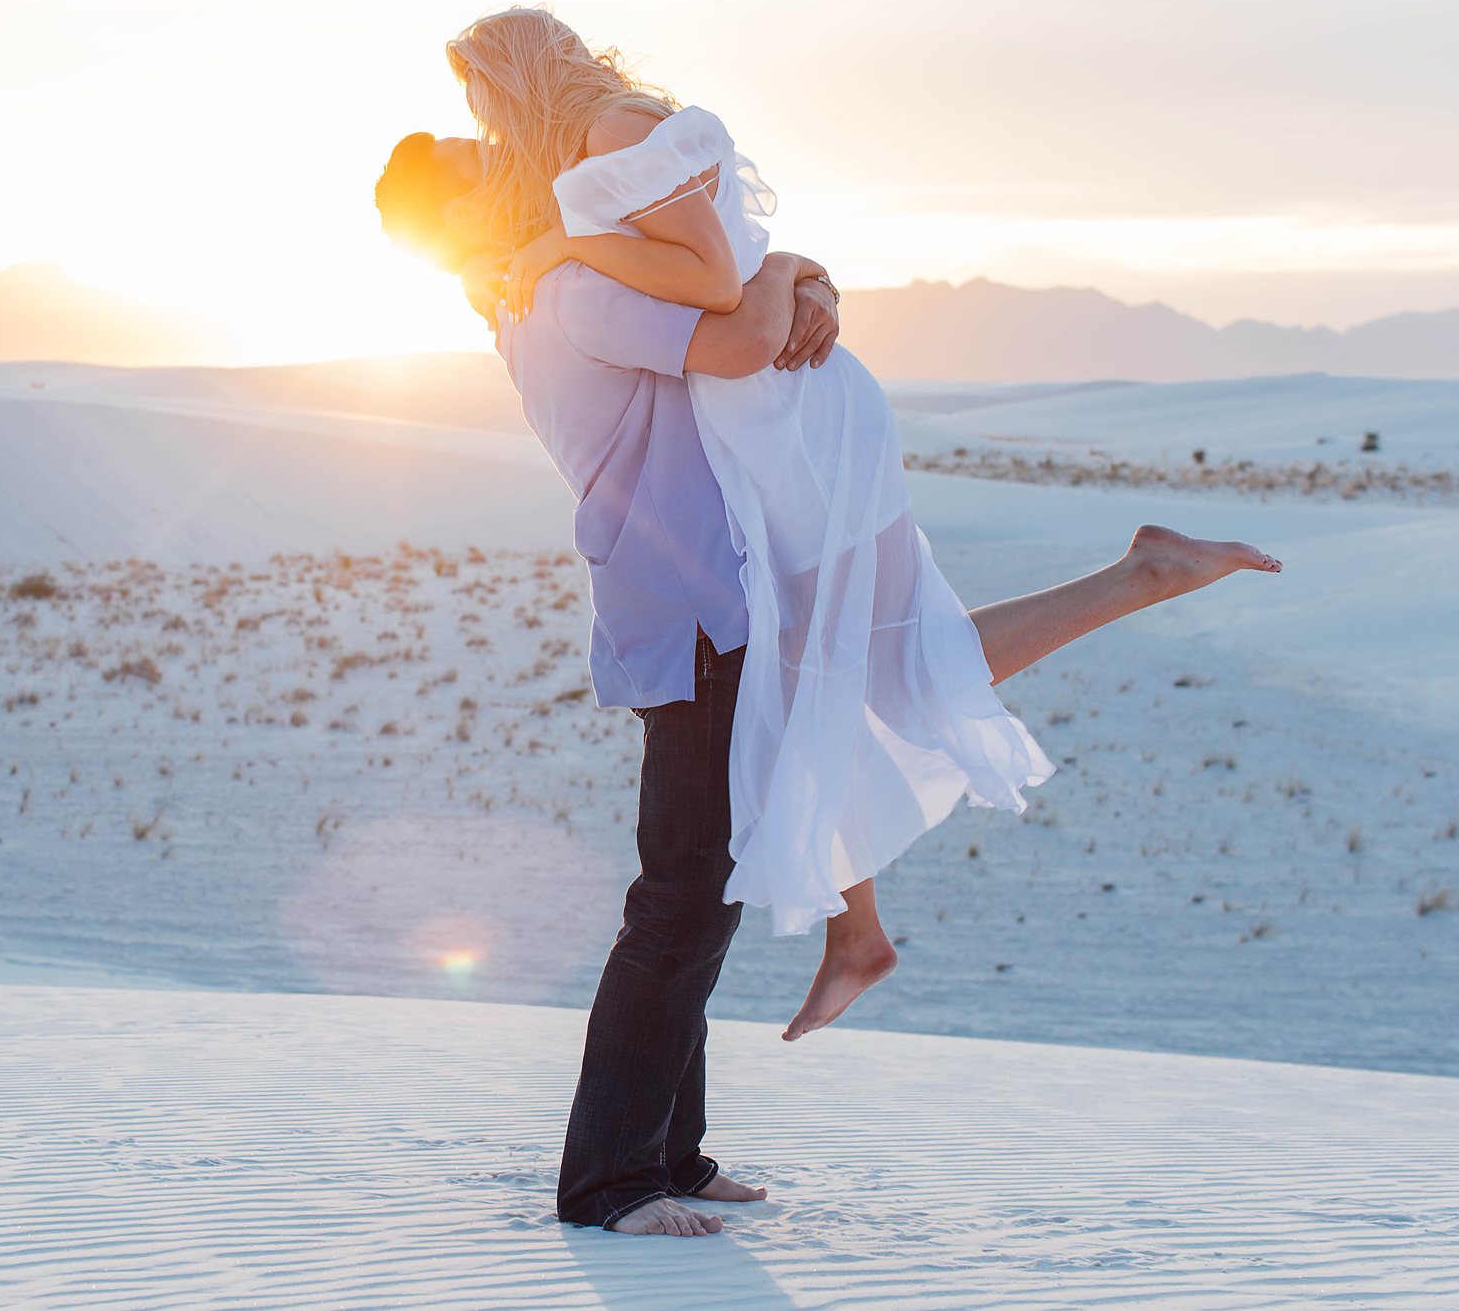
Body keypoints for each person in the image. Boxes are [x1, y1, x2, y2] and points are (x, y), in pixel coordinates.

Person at [373, 70, 1279, 1240]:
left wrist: (801, 275)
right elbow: (742, 326)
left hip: (721, 594)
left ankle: (672, 1153)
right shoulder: (561, 294)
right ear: (449, 227)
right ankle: (609, 1182)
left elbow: (726, 300)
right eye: (465, 169)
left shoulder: (565, 273)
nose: (491, 164)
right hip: (695, 609)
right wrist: (794, 277)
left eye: (474, 147)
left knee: (726, 863)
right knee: (681, 900)